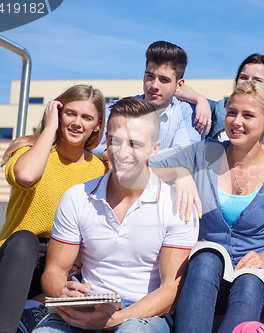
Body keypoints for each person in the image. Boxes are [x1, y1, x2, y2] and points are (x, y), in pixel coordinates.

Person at [34, 97, 199, 333]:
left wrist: (117, 317)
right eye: (114, 141)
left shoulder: (177, 205)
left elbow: (171, 290)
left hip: (143, 313)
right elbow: (53, 272)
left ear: (155, 148)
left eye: (134, 144)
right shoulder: (76, 197)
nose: (122, 153)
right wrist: (62, 290)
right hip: (87, 306)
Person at [150, 81, 264, 333]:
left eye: (248, 115)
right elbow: (143, 171)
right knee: (206, 256)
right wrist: (180, 173)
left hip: (260, 283)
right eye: (232, 112)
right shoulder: (203, 153)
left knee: (250, 280)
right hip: (205, 281)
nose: (236, 121)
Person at [0, 85, 109, 333]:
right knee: (25, 240)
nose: (76, 123)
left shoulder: (101, 169)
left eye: (86, 117)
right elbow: (27, 176)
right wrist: (49, 127)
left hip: (65, 264)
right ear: (57, 113)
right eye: (70, 113)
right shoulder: (28, 151)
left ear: (97, 125)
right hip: (13, 262)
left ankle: (36, 307)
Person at [92, 41, 202, 159]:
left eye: (164, 80)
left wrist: (119, 153)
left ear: (179, 85)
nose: (154, 85)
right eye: (150, 76)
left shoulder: (187, 113)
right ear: (144, 75)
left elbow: (185, 156)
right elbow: (89, 143)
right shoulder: (118, 108)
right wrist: (105, 152)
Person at [176, 53, 264, 154]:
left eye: (257, 80)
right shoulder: (219, 107)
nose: (248, 83)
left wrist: (244, 146)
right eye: (244, 77)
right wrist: (200, 99)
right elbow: (175, 88)